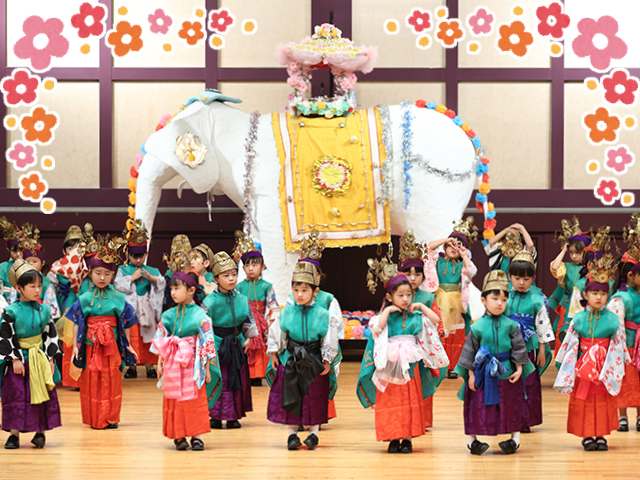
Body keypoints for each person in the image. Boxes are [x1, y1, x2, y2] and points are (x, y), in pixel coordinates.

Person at [357, 251, 448, 453]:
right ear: (390, 297)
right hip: (390, 363)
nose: (406, 298)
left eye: (408, 294)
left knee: (410, 399)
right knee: (390, 399)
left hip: (411, 363)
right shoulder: (387, 315)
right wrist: (388, 310)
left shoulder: (416, 314)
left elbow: (435, 321)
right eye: (400, 295)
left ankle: (407, 438)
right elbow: (375, 328)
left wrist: (423, 307)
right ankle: (392, 437)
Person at [63, 235, 139, 429]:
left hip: (111, 347)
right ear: (90, 273)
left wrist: (128, 345)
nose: (102, 277)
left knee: (112, 380)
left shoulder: (119, 298)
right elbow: (76, 322)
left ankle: (111, 417)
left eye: (107, 273)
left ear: (113, 274)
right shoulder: (85, 297)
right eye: (98, 273)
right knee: (90, 381)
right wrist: (75, 349)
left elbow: (128, 322)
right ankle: (94, 417)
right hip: (90, 347)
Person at [455, 270, 533, 455]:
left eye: (504, 300)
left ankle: (515, 439)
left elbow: (519, 348)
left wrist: (520, 368)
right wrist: (471, 375)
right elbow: (469, 352)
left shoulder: (512, 325)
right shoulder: (477, 326)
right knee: (477, 406)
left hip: (507, 373)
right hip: (483, 374)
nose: (499, 303)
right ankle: (472, 441)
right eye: (495, 298)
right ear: (484, 300)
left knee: (512, 405)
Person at [555, 254, 626, 451]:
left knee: (603, 400)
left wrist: (618, 366)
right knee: (584, 400)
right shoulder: (578, 319)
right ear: (585, 295)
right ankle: (586, 435)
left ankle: (601, 435)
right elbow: (569, 345)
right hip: (584, 367)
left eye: (603, 294)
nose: (598, 297)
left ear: (607, 296)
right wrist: (566, 366)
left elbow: (619, 344)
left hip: (605, 367)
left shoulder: (612, 320)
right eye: (594, 293)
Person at [266, 260, 339, 450]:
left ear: (315, 291)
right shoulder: (287, 312)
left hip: (314, 360)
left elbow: (329, 339)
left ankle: (314, 433)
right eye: (296, 289)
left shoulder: (323, 314)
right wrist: (274, 353)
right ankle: (292, 435)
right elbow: (277, 333)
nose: (299, 294)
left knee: (315, 397)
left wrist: (327, 360)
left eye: (305, 290)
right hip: (292, 359)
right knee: (292, 396)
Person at [151, 270, 221, 451]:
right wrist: (160, 361)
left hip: (194, 362)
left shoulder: (200, 315)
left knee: (194, 400)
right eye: (171, 288)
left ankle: (196, 436)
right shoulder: (168, 315)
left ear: (191, 290)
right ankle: (179, 435)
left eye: (177, 288)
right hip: (173, 360)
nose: (173, 292)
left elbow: (207, 341)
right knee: (175, 398)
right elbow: (161, 339)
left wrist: (206, 367)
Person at [0, 260, 62, 449]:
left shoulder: (44, 310)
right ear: (19, 288)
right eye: (32, 286)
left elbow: (50, 335)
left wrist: (50, 359)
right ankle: (13, 435)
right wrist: (15, 359)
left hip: (38, 358)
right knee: (15, 396)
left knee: (41, 395)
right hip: (19, 360)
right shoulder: (10, 311)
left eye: (39, 286)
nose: (37, 290)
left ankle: (40, 433)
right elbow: (5, 335)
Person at [203, 251, 258, 429]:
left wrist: (248, 338)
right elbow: (203, 326)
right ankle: (216, 416)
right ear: (216, 279)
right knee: (221, 379)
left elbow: (248, 321)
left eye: (234, 274)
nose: (231, 279)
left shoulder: (241, 299)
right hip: (217, 344)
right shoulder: (209, 301)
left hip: (236, 343)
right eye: (226, 276)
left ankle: (234, 416)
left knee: (237, 379)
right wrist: (209, 346)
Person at [398, 228, 443, 430]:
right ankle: (404, 419)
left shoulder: (428, 297)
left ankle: (423, 420)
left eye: (417, 274)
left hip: (422, 348)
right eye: (408, 273)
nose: (413, 278)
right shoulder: (395, 297)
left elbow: (436, 322)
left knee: (422, 381)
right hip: (399, 349)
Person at [505, 250, 554, 432]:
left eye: (526, 279)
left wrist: (542, 349)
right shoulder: (504, 296)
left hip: (528, 346)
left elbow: (542, 325)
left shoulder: (537, 299)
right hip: (507, 345)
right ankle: (508, 416)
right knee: (507, 379)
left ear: (532, 279)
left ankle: (525, 419)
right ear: (510, 277)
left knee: (527, 380)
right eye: (517, 278)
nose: (521, 282)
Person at [427, 217, 478, 379]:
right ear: (445, 246)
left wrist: (464, 255)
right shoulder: (438, 261)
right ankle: (439, 365)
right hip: (439, 300)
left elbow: (472, 271)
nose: (454, 247)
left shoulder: (462, 265)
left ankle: (453, 367)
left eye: (459, 245)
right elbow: (428, 248)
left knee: (456, 335)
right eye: (451, 244)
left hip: (457, 303)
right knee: (440, 333)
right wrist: (446, 239)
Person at [115, 220, 165, 379]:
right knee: (132, 338)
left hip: (147, 308)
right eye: (134, 256)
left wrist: (154, 279)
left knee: (148, 337)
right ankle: (132, 367)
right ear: (128, 255)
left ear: (146, 254)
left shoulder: (152, 270)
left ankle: (150, 366)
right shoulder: (123, 269)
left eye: (141, 256)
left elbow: (162, 284)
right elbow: (117, 286)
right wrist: (131, 278)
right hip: (130, 308)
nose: (137, 260)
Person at [607, 213, 640, 432]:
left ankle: (639, 416)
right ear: (629, 276)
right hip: (627, 345)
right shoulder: (620, 298)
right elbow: (616, 324)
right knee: (625, 380)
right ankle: (622, 416)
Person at [233, 231, 280, 387]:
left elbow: (272, 306)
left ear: (262, 266)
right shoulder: (239, 287)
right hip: (245, 320)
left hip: (261, 321)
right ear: (243, 267)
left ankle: (259, 374)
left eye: (255, 264)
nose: (251, 268)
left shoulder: (267, 287)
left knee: (261, 348)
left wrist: (271, 324)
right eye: (247, 265)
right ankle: (247, 375)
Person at [163, 235, 192, 311]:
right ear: (172, 255)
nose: (181, 258)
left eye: (184, 254)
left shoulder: (193, 274)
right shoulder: (169, 276)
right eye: (177, 255)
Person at [0, 217, 22, 300]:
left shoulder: (31, 265)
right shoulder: (3, 267)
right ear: (8, 250)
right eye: (14, 251)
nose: (18, 254)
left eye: (21, 249)